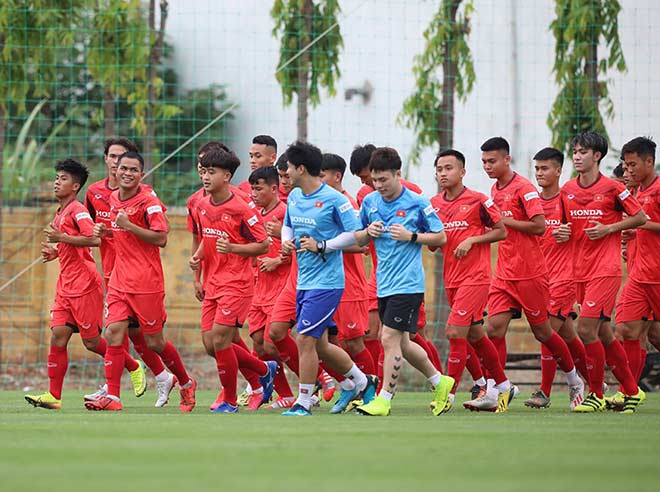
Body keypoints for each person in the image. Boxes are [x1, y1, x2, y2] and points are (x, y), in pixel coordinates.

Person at [25, 159, 144, 409]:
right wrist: (57, 251)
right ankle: (54, 396)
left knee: (92, 342)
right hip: (65, 286)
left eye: (64, 178)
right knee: (58, 336)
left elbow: (94, 239)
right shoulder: (61, 212)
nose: (57, 182)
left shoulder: (78, 209)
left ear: (76, 185)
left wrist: (61, 238)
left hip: (84, 285)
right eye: (57, 177)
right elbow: (74, 244)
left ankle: (132, 365)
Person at [85, 151, 196, 412]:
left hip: (146, 282)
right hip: (119, 281)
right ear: (116, 170)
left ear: (141, 174)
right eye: (123, 168)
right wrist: (107, 231)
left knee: (155, 342)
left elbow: (161, 238)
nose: (127, 173)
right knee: (113, 333)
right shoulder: (112, 198)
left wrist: (129, 225)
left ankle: (185, 381)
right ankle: (112, 397)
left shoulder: (149, 202)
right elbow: (122, 233)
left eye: (133, 170)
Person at [481, 137, 583, 412]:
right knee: (493, 328)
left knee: (543, 332)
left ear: (506, 159)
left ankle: (575, 380)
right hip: (504, 272)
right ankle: (497, 388)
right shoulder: (494, 189)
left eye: (492, 161)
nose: (487, 166)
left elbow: (538, 227)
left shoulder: (524, 188)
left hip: (531, 273)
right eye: (483, 162)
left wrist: (502, 220)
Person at [353, 147, 454, 417]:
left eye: (384, 179)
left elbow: (440, 237)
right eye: (375, 180)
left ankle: (384, 399)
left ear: (398, 174)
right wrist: (367, 232)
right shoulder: (370, 202)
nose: (379, 186)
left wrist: (412, 236)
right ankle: (439, 381)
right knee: (404, 343)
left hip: (408, 284)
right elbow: (358, 238)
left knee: (387, 338)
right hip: (384, 282)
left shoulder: (417, 202)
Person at [280, 141, 376, 416]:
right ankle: (360, 381)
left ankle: (304, 401)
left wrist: (323, 246)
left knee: (304, 339)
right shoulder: (296, 197)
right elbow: (288, 224)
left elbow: (355, 234)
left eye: (288, 168)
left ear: (300, 168)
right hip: (304, 282)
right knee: (321, 344)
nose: (285, 174)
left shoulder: (335, 200)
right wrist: (287, 242)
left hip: (328, 283)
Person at [560, 131, 646, 413]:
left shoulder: (613, 188)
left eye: (583, 151)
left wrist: (609, 228)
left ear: (597, 156)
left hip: (605, 270)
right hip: (579, 271)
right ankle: (632, 391)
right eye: (575, 151)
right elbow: (566, 227)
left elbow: (640, 217)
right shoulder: (567, 190)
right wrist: (562, 232)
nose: (576, 156)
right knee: (605, 333)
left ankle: (596, 394)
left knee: (585, 328)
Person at [189, 148, 278, 413]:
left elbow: (263, 244)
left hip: (237, 282)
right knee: (209, 344)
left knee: (220, 340)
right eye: (204, 171)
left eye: (212, 172)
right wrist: (198, 257)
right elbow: (209, 238)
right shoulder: (202, 205)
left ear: (226, 176)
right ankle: (264, 369)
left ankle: (228, 399)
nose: (206, 177)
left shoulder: (241, 208)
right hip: (213, 282)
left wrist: (235, 250)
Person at [430, 149, 512, 413]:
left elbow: (501, 231)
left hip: (475, 278)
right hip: (451, 279)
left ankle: (448, 395)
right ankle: (502, 384)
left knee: (455, 332)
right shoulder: (434, 204)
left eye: (449, 168)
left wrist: (472, 239)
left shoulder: (479, 200)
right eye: (439, 169)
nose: (443, 173)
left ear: (463, 172)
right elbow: (433, 244)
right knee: (476, 335)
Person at [525, 147, 590, 409]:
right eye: (537, 168)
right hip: (540, 279)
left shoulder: (569, 201)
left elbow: (587, 235)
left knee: (546, 331)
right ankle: (594, 383)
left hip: (564, 277)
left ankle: (546, 391)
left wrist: (571, 234)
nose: (540, 173)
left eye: (545, 168)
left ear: (559, 170)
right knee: (568, 336)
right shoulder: (532, 203)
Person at [608, 137, 659, 412]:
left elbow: (648, 224)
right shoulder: (635, 194)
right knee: (626, 329)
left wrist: (642, 226)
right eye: (625, 165)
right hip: (639, 275)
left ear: (649, 162)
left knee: (655, 337)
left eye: (633, 165)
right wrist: (630, 236)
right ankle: (628, 391)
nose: (628, 171)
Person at [319, 153, 376, 378]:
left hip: (350, 286)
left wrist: (323, 245)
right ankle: (349, 386)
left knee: (353, 343)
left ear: (337, 176)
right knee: (330, 342)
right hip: (330, 283)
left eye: (322, 175)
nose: (318, 180)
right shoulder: (323, 204)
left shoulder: (347, 204)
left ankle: (371, 391)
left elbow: (360, 244)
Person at [246, 166, 296, 409]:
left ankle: (318, 379)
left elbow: (299, 246)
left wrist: (279, 260)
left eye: (259, 188)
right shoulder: (254, 214)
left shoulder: (286, 213)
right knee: (257, 341)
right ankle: (285, 394)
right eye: (253, 188)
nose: (254, 193)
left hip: (281, 286)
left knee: (271, 341)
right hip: (259, 287)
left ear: (274, 188)